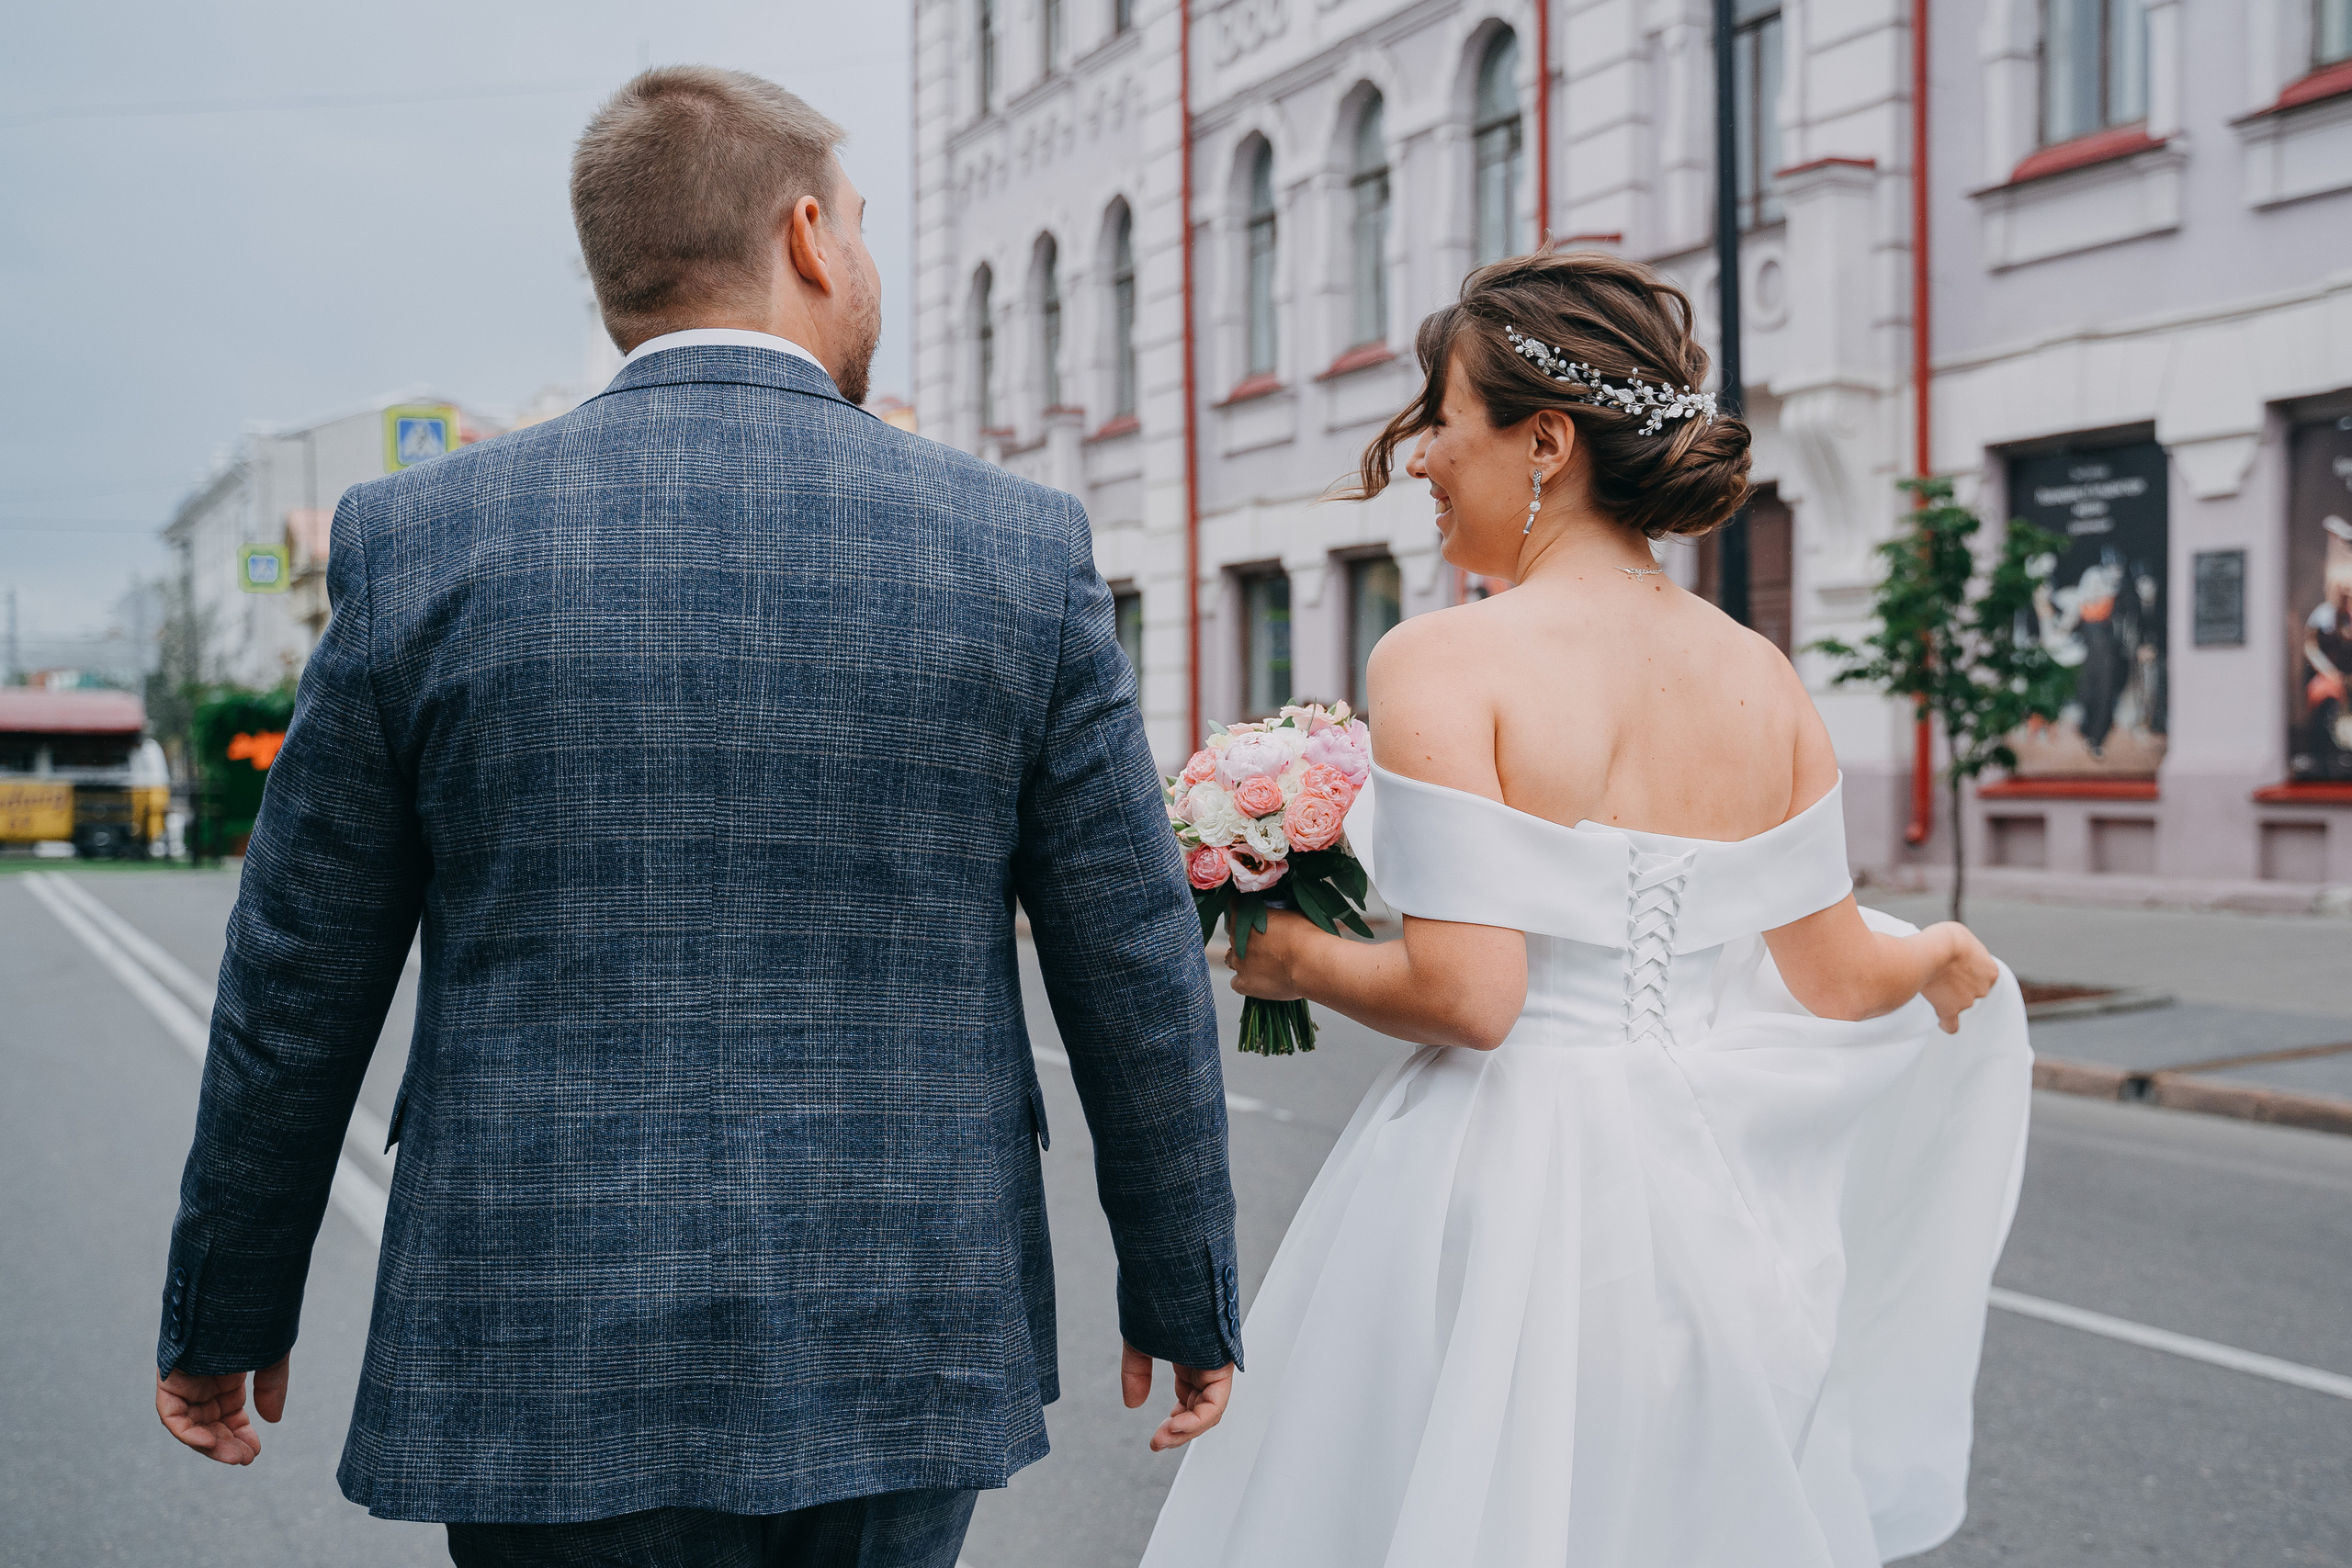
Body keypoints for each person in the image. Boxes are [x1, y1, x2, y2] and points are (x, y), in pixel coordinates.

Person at [152, 67, 1241, 1568]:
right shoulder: (1017, 548)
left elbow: (294, 981)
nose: (865, 263)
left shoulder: (420, 544)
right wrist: (1185, 1289)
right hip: (900, 1321)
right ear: (806, 235)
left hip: (537, 1321)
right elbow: (1132, 961)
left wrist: (227, 1304)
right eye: (858, 226)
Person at [1139, 252, 2030, 1568]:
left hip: (1503, 1195)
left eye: (1441, 421)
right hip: (1711, 1215)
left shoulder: (1444, 658)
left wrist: (1293, 956)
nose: (1423, 460)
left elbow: (1471, 999)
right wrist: (1939, 953)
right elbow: (1838, 978)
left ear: (1545, 440)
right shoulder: (1761, 674)